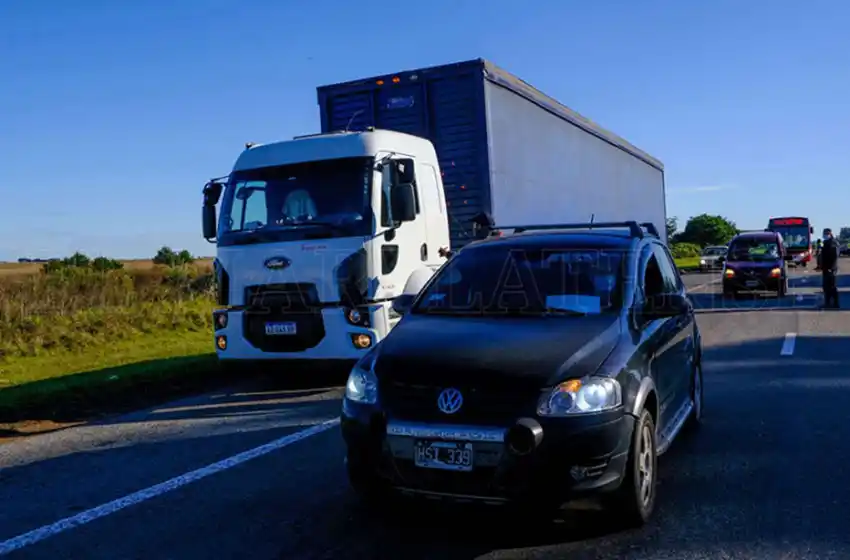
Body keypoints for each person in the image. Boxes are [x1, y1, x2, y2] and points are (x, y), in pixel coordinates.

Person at [820, 228, 840, 309]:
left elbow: (834, 257)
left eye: (825, 233)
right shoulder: (826, 242)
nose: (824, 235)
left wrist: (830, 268)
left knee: (832, 287)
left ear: (829, 233)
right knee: (826, 286)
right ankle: (827, 303)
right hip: (826, 268)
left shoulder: (833, 243)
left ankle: (835, 303)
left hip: (830, 268)